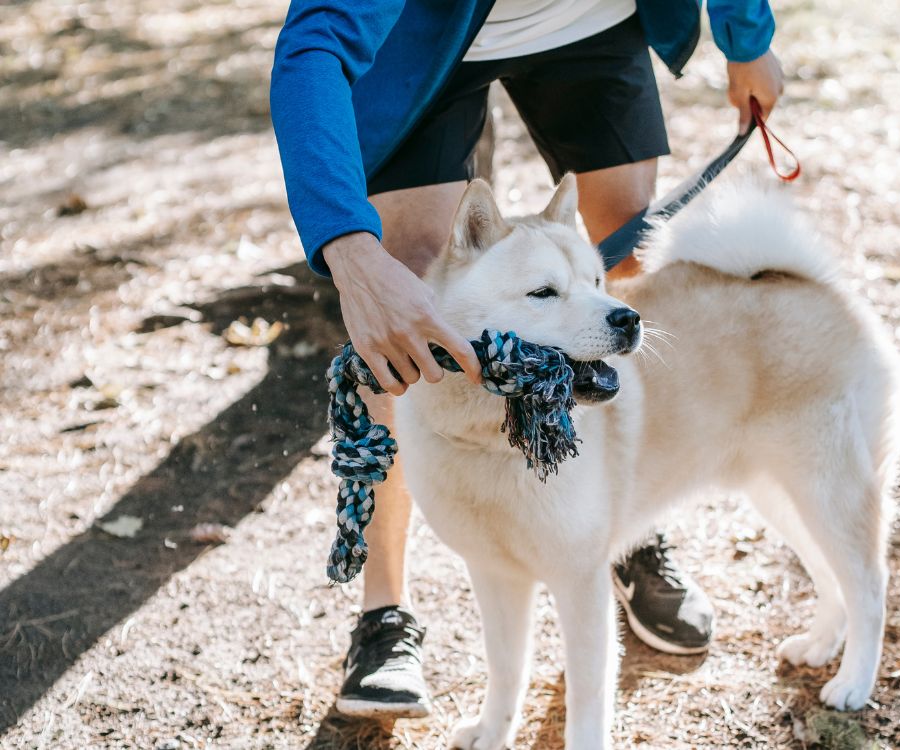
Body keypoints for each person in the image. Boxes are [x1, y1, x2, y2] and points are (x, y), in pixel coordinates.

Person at [270, 0, 783, 719]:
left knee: (613, 269)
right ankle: (384, 609)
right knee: (417, 279)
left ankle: (618, 527)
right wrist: (350, 250)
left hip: (590, 21)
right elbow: (315, 43)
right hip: (422, 35)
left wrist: (746, 35)